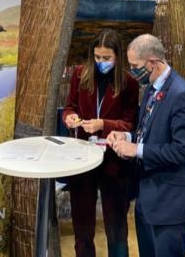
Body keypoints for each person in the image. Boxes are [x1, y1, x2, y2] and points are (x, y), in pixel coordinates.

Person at [107, 34, 185, 257]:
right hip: (149, 200)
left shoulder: (182, 95)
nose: (132, 71)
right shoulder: (153, 89)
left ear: (152, 62)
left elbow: (183, 151)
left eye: (135, 66)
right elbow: (149, 133)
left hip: (171, 205)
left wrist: (137, 150)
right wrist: (127, 138)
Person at [62, 28, 139, 257]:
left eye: (106, 58)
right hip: (83, 159)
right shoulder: (79, 74)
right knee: (82, 228)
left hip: (114, 162)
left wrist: (102, 124)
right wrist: (69, 118)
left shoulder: (129, 83)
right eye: (97, 57)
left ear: (118, 57)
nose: (101, 62)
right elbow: (69, 106)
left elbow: (129, 125)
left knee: (116, 227)